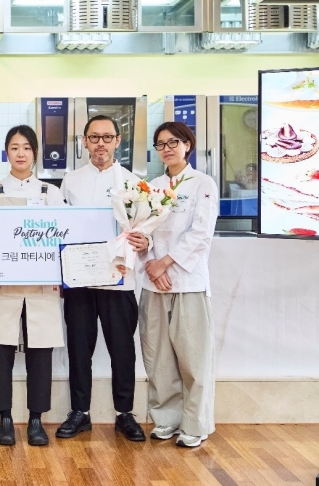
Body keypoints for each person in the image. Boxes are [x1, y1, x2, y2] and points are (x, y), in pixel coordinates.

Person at [58, 115, 148, 442]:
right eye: (94, 137)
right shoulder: (70, 181)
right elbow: (60, 229)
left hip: (118, 279)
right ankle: (80, 412)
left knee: (122, 350)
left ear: (117, 141)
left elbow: (142, 230)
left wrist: (144, 242)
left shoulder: (134, 183)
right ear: (84, 142)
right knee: (79, 350)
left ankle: (125, 413)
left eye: (107, 137)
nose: (101, 143)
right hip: (80, 281)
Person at [0, 125, 65, 447]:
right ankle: (5, 419)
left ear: (35, 153)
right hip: (3, 288)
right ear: (7, 153)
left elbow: (62, 237)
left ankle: (36, 420)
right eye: (14, 147)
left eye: (26, 147)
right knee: (0, 354)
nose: (21, 153)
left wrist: (62, 275)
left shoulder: (51, 193)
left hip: (40, 287)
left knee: (40, 353)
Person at [139, 121, 218, 448]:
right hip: (154, 284)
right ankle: (166, 420)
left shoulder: (203, 184)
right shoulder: (151, 187)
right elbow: (142, 232)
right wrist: (151, 263)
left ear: (188, 144)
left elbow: (201, 234)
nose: (167, 148)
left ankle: (195, 424)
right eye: (161, 144)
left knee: (193, 359)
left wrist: (165, 262)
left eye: (174, 142)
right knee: (158, 358)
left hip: (188, 283)